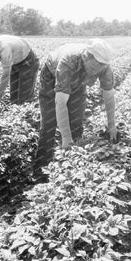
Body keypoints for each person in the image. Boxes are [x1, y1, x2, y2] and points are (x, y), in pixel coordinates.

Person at [34, 38, 117, 171]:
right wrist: (65, 136)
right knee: (49, 124)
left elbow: (109, 96)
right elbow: (60, 102)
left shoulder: (103, 67)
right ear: (87, 57)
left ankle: (72, 164)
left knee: (76, 122)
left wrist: (112, 125)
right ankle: (41, 169)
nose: (98, 70)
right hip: (52, 76)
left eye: (102, 66)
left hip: (78, 81)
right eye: (96, 65)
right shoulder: (69, 61)